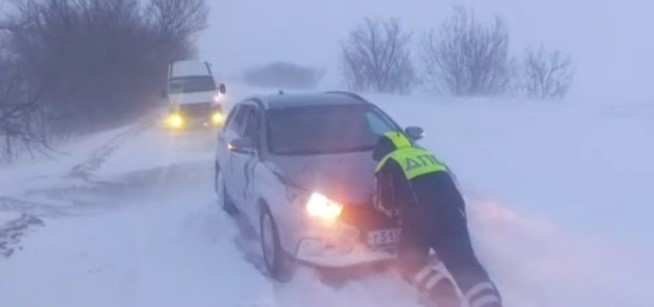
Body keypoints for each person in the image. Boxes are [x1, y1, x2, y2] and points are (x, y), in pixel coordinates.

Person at [372, 131, 503, 307]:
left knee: (409, 263)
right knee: (464, 264)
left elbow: (386, 204)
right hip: (454, 213)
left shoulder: (388, 162)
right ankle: (489, 303)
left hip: (421, 217)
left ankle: (443, 294)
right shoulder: (428, 155)